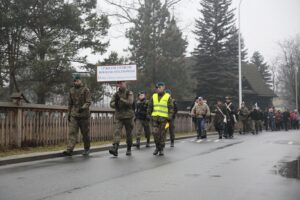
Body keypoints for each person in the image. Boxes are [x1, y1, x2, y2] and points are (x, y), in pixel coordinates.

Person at [63, 73, 91, 156]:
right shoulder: (71, 90)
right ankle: (69, 149)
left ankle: (87, 148)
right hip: (74, 115)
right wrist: (69, 114)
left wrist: (82, 108)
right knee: (72, 132)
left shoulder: (86, 90)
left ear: (80, 81)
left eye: (77, 81)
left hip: (84, 115)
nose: (76, 82)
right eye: (74, 81)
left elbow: (88, 102)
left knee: (85, 133)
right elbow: (70, 103)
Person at [147, 82, 174, 156]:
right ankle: (157, 147)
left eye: (159, 87)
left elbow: (171, 108)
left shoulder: (168, 97)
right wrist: (148, 114)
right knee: (155, 133)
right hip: (155, 118)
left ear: (163, 87)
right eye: (157, 88)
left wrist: (170, 116)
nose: (158, 89)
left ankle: (161, 149)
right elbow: (150, 106)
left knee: (162, 134)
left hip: (164, 119)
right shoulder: (154, 96)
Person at [109, 81, 134, 157]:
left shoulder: (129, 93)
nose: (120, 84)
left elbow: (130, 102)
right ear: (117, 85)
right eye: (119, 83)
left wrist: (121, 99)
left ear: (125, 84)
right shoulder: (116, 94)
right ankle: (115, 148)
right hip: (119, 116)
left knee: (129, 133)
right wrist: (116, 103)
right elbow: (111, 104)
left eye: (122, 83)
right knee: (117, 132)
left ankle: (129, 148)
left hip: (128, 116)